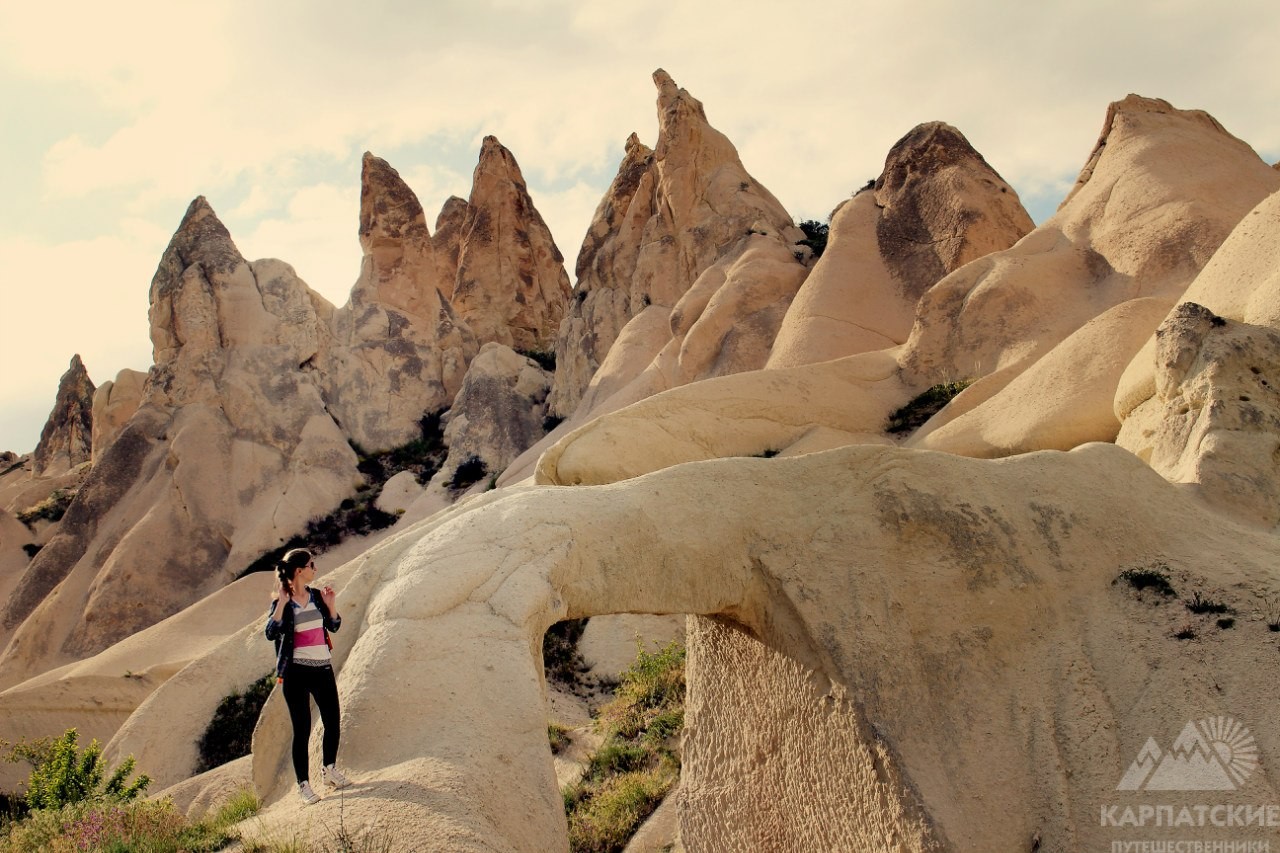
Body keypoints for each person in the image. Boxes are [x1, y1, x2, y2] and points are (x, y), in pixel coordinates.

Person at [264, 548, 350, 804]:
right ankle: (304, 785)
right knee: (301, 730)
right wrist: (281, 603)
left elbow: (334, 625)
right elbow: (270, 633)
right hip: (296, 674)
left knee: (332, 720)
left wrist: (331, 606)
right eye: (312, 565)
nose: (316, 569)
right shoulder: (282, 602)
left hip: (322, 668)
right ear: (299, 570)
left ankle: (329, 770)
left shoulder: (316, 596)